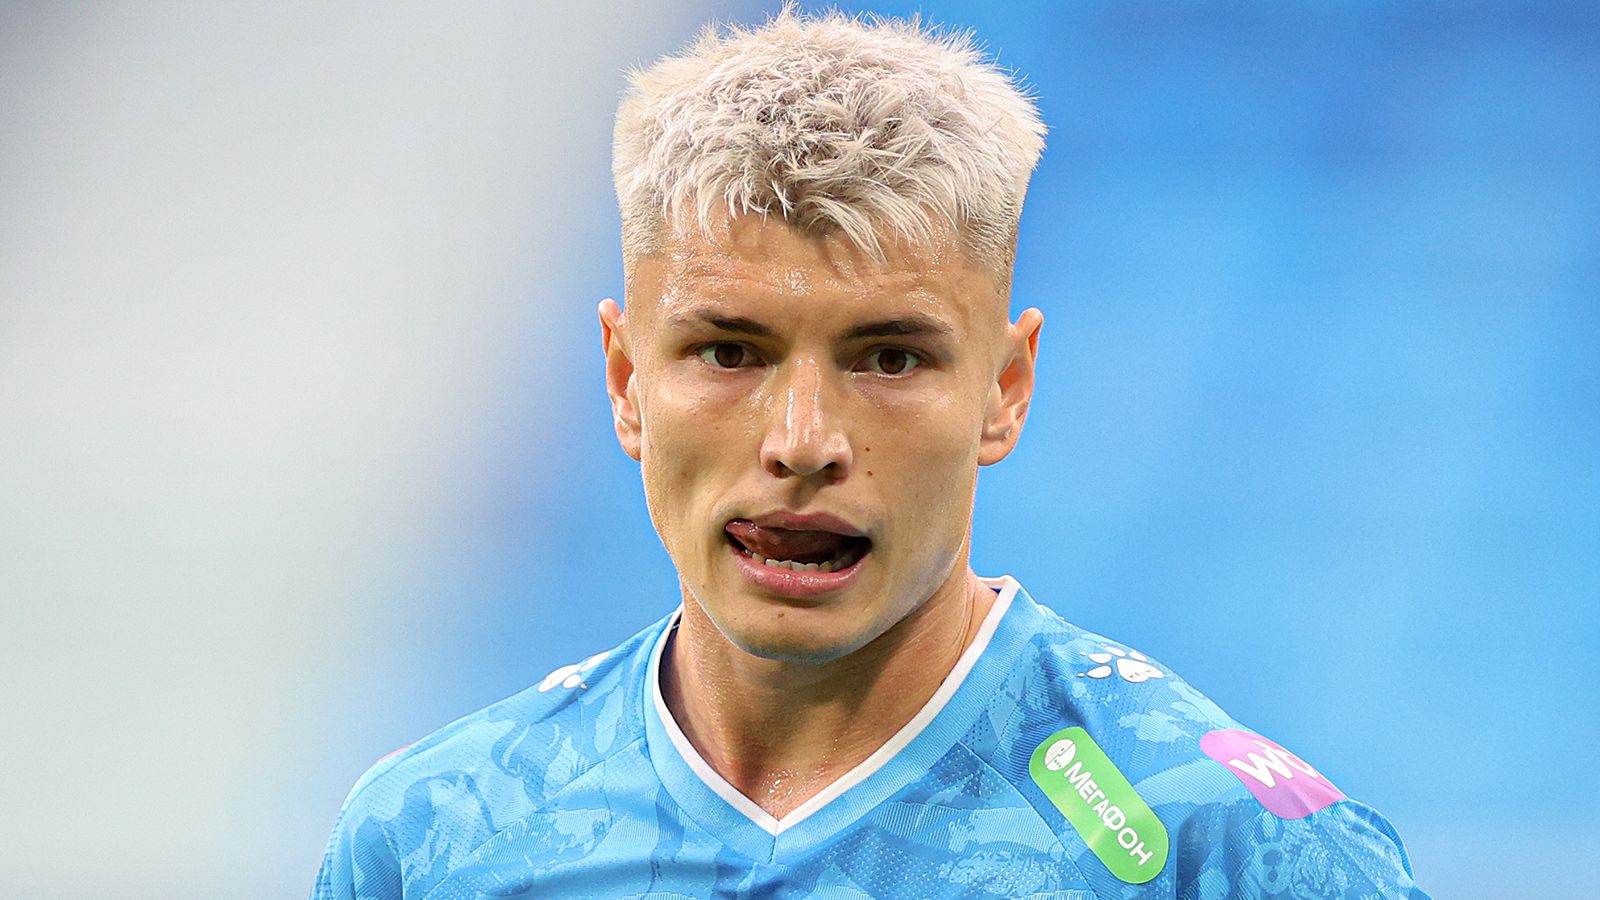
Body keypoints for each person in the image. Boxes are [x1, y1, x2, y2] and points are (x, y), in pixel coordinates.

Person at [312, 8, 1427, 898]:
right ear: (625, 380)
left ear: (1005, 389)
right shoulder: (432, 839)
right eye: (728, 351)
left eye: (889, 358)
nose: (803, 443)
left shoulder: (1230, 851)